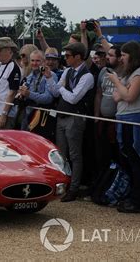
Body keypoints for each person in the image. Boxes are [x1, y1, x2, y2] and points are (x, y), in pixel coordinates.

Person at [108, 41, 140, 213]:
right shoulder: (128, 74)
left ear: (132, 56)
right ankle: (133, 195)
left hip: (136, 120)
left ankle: (139, 200)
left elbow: (129, 96)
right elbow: (115, 97)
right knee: (128, 159)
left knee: (138, 160)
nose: (121, 59)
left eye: (124, 55)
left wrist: (116, 82)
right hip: (124, 119)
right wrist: (123, 88)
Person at [45, 42, 95, 202]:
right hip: (62, 116)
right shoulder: (67, 71)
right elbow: (55, 91)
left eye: (67, 56)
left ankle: (73, 188)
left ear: (78, 57)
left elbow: (73, 98)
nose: (64, 58)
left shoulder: (87, 76)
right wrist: (49, 78)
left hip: (75, 117)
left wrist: (60, 88)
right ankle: (63, 184)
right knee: (61, 154)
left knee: (75, 154)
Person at [93, 45, 123, 184]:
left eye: (111, 55)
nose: (107, 57)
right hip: (102, 120)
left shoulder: (124, 73)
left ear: (119, 57)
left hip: (117, 121)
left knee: (117, 155)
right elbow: (98, 93)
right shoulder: (103, 71)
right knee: (101, 155)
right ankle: (102, 184)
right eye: (107, 55)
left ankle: (116, 185)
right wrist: (97, 115)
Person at [17, 50, 56, 139]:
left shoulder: (50, 75)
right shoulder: (30, 76)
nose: (34, 63)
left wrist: (29, 94)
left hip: (41, 118)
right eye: (32, 60)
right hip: (27, 115)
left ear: (44, 61)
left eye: (38, 61)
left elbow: (49, 98)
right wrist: (21, 94)